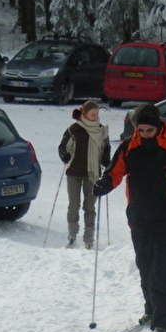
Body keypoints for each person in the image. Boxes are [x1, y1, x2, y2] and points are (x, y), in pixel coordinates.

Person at [94, 103, 166, 332]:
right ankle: (152, 308)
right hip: (139, 215)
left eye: (150, 130)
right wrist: (104, 185)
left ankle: (164, 321)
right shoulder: (130, 146)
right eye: (142, 130)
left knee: (162, 268)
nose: (145, 134)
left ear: (158, 126)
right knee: (145, 264)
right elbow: (114, 172)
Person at [58, 100, 110, 248]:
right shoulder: (74, 129)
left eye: (97, 114)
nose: (96, 117)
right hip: (74, 172)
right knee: (73, 205)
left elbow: (106, 148)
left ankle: (89, 238)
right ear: (85, 114)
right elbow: (63, 146)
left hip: (92, 174)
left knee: (89, 206)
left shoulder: (101, 130)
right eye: (93, 114)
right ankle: (72, 234)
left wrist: (106, 160)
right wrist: (64, 155)